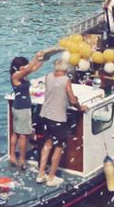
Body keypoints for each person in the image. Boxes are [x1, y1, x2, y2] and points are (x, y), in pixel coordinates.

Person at [37, 59, 88, 187]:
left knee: (48, 144)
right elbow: (71, 99)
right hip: (57, 118)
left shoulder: (48, 76)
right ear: (65, 69)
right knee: (59, 147)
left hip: (44, 115)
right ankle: (51, 177)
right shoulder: (66, 80)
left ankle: (40, 174)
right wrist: (79, 106)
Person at [9, 51, 45, 169]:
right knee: (23, 135)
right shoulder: (16, 75)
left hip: (20, 107)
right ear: (18, 66)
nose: (25, 67)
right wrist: (35, 56)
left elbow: (34, 68)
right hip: (22, 108)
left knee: (16, 132)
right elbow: (29, 68)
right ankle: (22, 159)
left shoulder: (22, 74)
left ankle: (13, 155)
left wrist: (43, 59)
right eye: (23, 65)